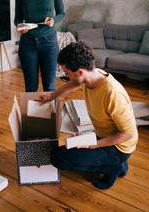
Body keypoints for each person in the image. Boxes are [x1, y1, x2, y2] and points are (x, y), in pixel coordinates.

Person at [38, 41, 138, 189]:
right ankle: (117, 165)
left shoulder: (113, 93)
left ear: (80, 72)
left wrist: (93, 144)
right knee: (60, 151)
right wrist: (52, 96)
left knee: (57, 159)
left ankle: (113, 167)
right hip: (103, 135)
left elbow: (128, 134)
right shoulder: (92, 74)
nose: (65, 76)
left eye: (67, 73)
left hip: (119, 147)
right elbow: (74, 84)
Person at [14, 0, 65, 92]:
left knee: (49, 87)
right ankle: (32, 116)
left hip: (49, 43)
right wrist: (19, 26)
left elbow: (62, 13)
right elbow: (17, 18)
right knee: (31, 88)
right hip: (27, 45)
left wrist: (53, 20)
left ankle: (52, 115)